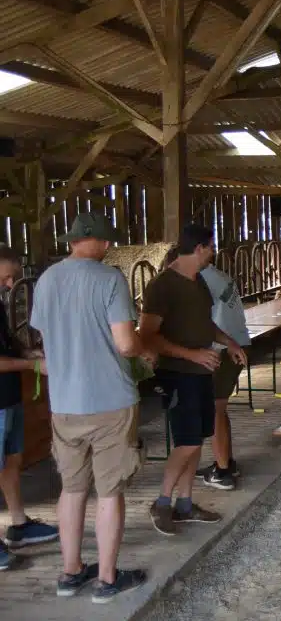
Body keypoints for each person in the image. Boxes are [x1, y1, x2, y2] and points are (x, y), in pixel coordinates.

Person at [29, 212, 147, 602]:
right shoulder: (109, 279)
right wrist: (145, 348)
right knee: (110, 491)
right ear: (91, 239)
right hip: (110, 400)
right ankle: (108, 580)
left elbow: (46, 338)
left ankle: (70, 572)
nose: (111, 247)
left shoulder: (47, 280)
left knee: (73, 488)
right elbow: (126, 344)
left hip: (64, 402)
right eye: (107, 241)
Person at [139, 224, 246, 537]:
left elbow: (206, 324)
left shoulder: (198, 281)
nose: (212, 253)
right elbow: (147, 337)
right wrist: (191, 355)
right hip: (178, 374)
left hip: (201, 371)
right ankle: (162, 502)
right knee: (185, 442)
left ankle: (185, 504)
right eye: (211, 247)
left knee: (197, 439)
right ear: (199, 247)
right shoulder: (163, 286)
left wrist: (230, 343)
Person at [0, 246, 57, 572]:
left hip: (8, 398)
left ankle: (19, 525)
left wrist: (28, 352)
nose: (11, 285)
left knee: (12, 461)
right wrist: (32, 366)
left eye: (13, 278)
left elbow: (5, 340)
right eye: (6, 277)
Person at [194, 262, 251, 491]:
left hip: (222, 348)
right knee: (219, 408)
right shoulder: (217, 275)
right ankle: (226, 460)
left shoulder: (199, 280)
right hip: (234, 342)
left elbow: (203, 319)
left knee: (214, 409)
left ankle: (223, 471)